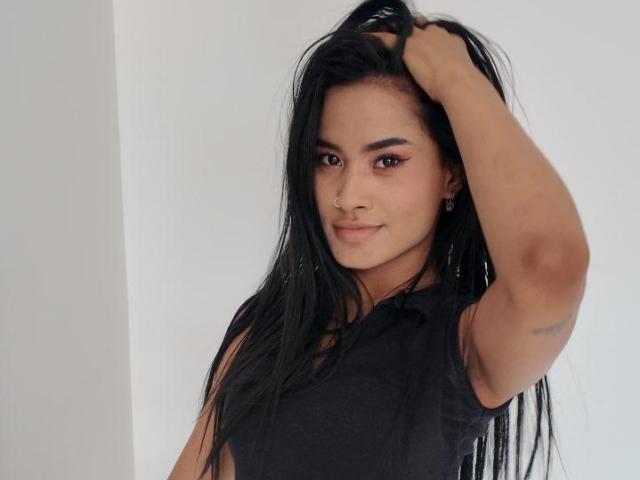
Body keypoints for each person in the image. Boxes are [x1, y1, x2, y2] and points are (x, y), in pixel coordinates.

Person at [169, 1, 589, 479]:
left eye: (387, 161)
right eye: (329, 159)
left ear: (452, 174)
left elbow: (551, 263)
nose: (348, 197)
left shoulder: (465, 347)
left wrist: (455, 77)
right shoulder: (268, 324)